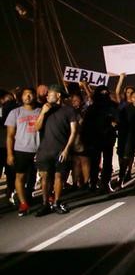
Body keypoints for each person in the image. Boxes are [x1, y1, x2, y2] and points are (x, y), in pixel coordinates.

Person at [34, 84, 78, 215]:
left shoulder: (69, 110)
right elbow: (36, 128)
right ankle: (45, 204)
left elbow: (74, 131)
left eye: (50, 94)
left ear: (58, 95)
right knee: (45, 178)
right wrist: (42, 112)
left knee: (59, 176)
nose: (47, 96)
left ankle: (57, 202)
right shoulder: (44, 109)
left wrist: (66, 150)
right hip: (44, 150)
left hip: (60, 150)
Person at [5, 88, 40, 216]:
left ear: (35, 96)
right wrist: (9, 154)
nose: (28, 96)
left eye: (30, 94)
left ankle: (37, 196)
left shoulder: (41, 111)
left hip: (38, 150)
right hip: (21, 150)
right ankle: (23, 203)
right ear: (22, 97)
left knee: (39, 176)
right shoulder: (15, 113)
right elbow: (9, 135)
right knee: (20, 177)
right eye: (25, 94)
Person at [82, 85, 119, 193]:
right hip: (95, 139)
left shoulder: (113, 106)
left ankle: (106, 183)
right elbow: (86, 125)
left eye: (105, 93)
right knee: (95, 162)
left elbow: (119, 119)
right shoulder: (92, 108)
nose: (104, 95)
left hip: (108, 138)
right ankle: (93, 183)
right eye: (101, 93)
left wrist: (115, 124)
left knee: (108, 162)